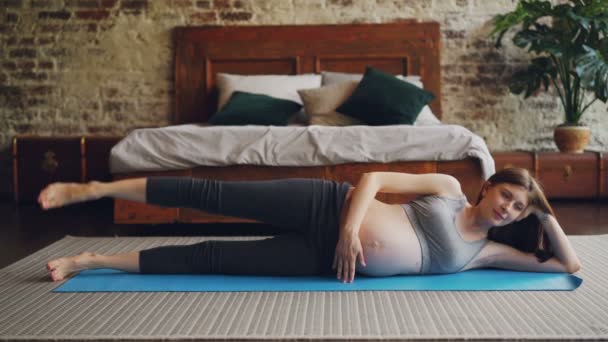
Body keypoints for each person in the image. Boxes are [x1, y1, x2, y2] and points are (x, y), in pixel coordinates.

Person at [39, 168, 581, 283]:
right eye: (506, 196)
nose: (508, 209)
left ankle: (92, 261)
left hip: (325, 265)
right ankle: (96, 188)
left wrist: (545, 213)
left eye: (518, 208)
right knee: (211, 194)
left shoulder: (483, 252)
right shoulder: (447, 190)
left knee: (211, 258)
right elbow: (371, 179)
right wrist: (348, 230)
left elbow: (566, 263)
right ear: (487, 187)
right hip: (325, 206)